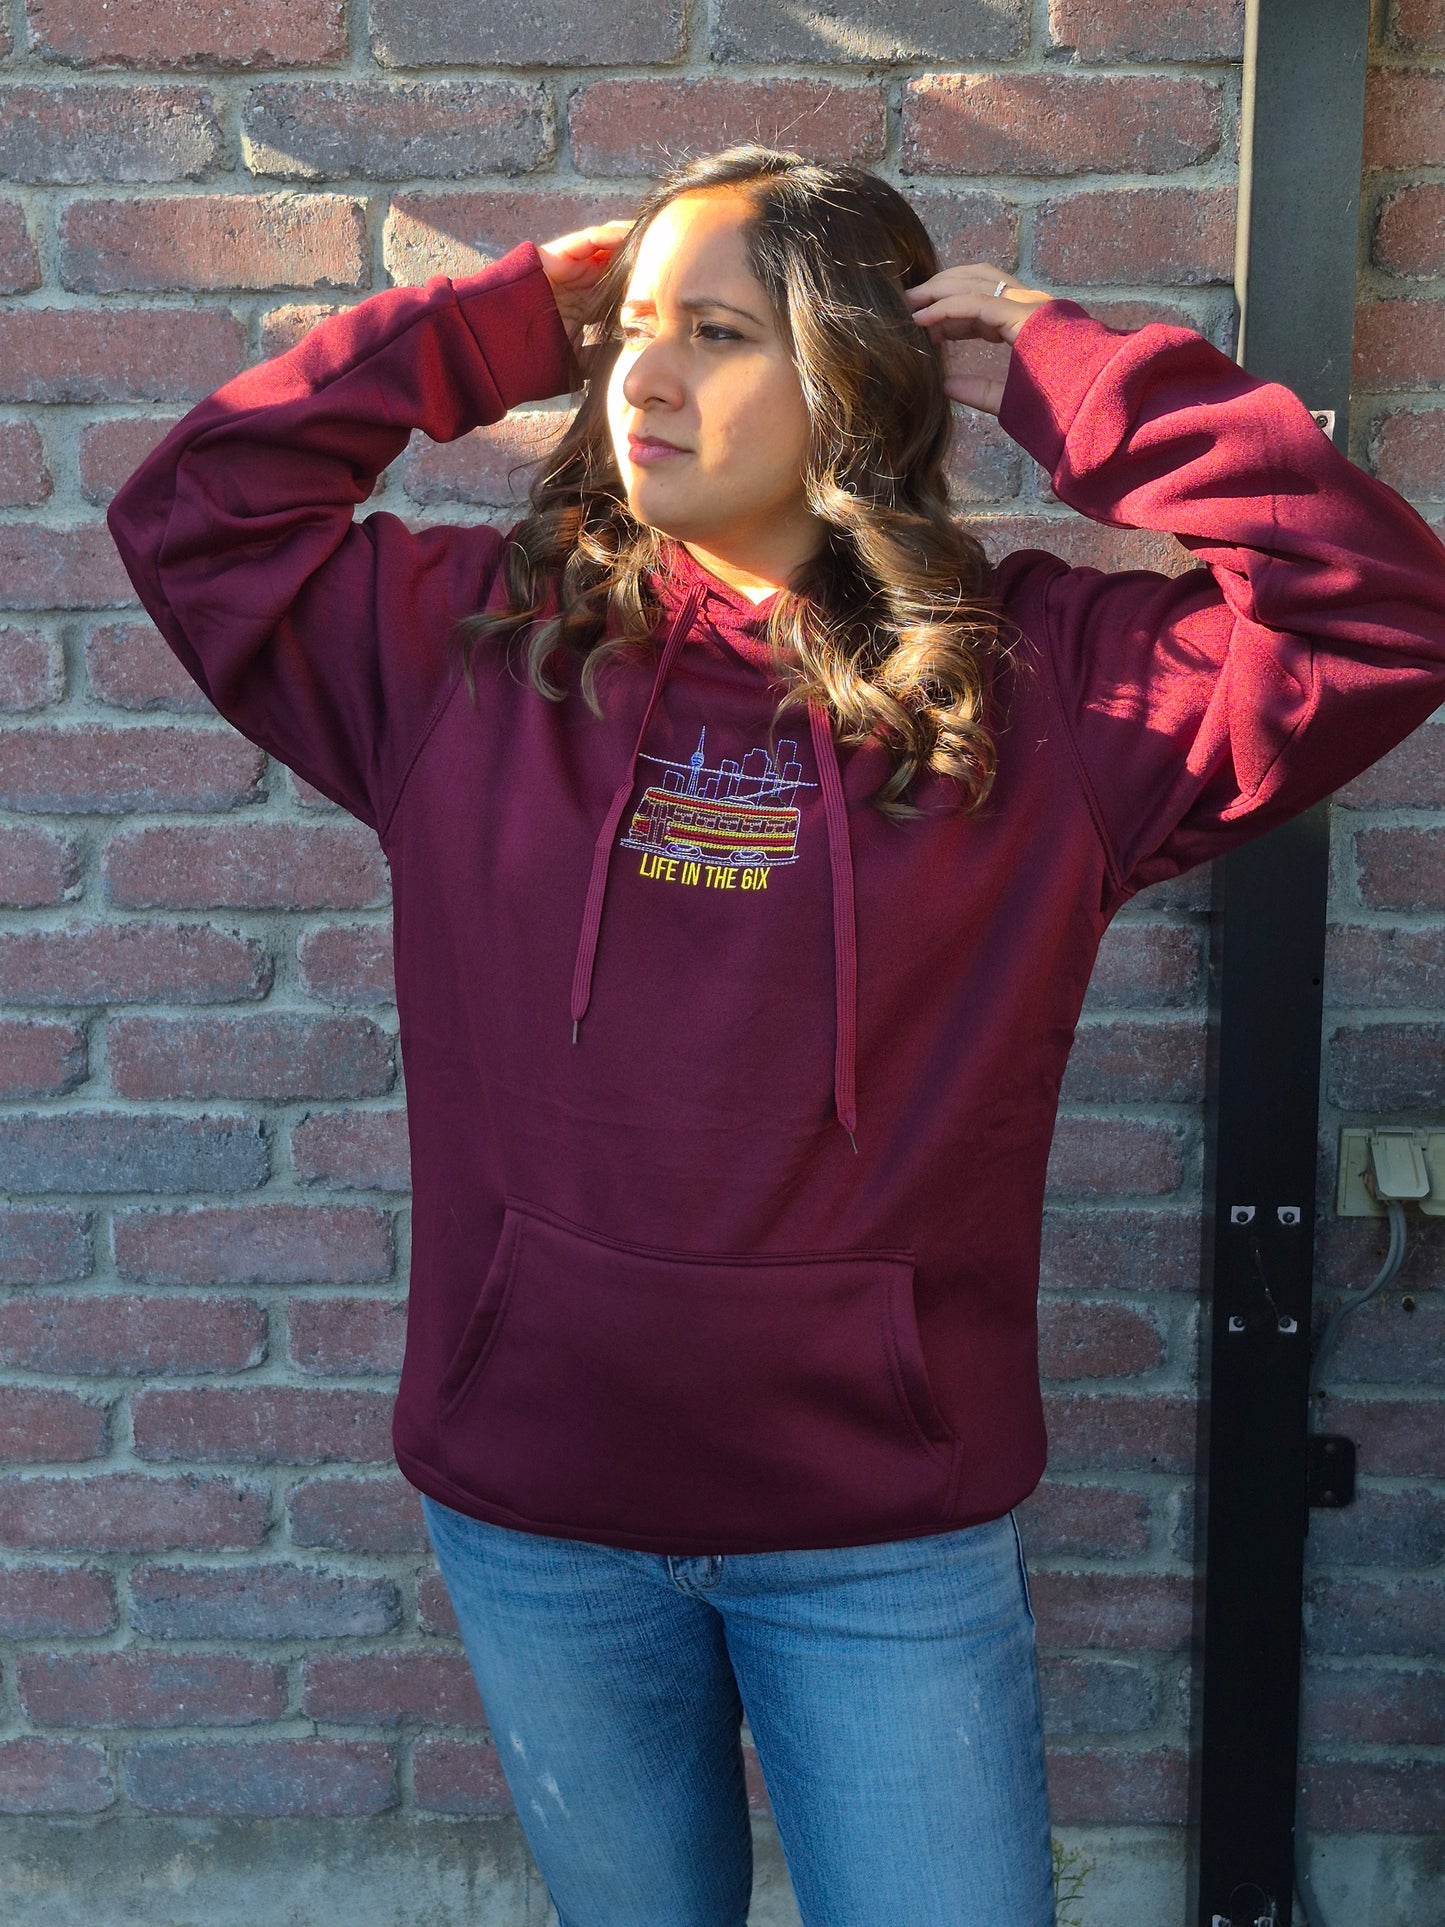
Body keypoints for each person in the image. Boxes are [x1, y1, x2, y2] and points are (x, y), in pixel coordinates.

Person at [107, 145, 1445, 1927]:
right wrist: (498, 318)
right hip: (541, 1520)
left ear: (849, 375)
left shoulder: (1043, 695)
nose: (643, 377)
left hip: (881, 1543)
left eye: (718, 333)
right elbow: (196, 510)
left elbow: (1377, 610)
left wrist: (1065, 369)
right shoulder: (462, 651)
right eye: (630, 330)